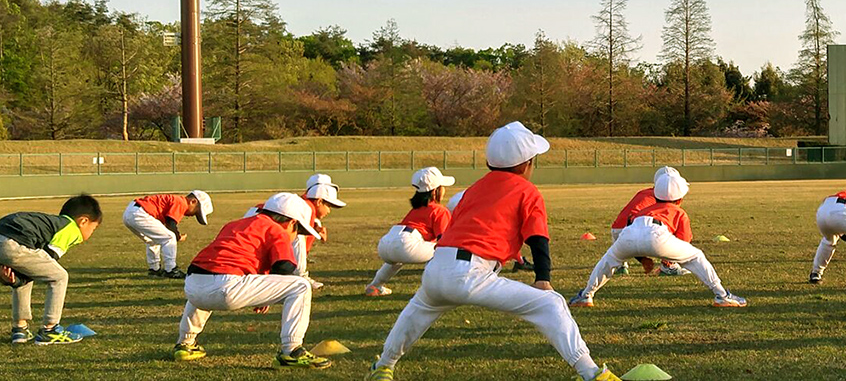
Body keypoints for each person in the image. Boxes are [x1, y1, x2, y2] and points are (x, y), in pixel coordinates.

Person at [366, 122, 620, 381]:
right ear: (526, 165)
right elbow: (537, 238)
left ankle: (384, 366)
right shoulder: (527, 191)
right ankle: (591, 373)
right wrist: (542, 278)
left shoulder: (473, 190)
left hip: (436, 266)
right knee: (552, 303)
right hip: (471, 272)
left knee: (417, 311)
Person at [173, 192, 330, 369]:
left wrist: (264, 288)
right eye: (298, 231)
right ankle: (291, 351)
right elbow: (285, 267)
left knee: (207, 277)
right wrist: (270, 290)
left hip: (192, 286)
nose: (296, 236)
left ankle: (185, 343)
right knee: (301, 285)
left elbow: (226, 259)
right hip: (227, 287)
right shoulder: (277, 230)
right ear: (292, 222)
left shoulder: (236, 224)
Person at [571, 169, 747, 308]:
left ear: (655, 195)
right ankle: (722, 296)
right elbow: (684, 243)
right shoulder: (679, 212)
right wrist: (669, 261)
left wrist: (642, 258)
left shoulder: (644, 210)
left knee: (608, 261)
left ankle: (586, 295)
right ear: (680, 198)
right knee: (696, 256)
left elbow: (635, 232)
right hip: (658, 234)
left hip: (629, 233)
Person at [0, 194, 104, 345]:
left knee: (25, 277)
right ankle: (50, 329)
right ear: (83, 221)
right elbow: (48, 258)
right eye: (93, 228)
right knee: (59, 276)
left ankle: (20, 329)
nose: (92, 233)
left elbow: (33, 269)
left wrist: (13, 280)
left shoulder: (52, 223)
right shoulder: (71, 228)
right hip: (13, 243)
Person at [366, 167, 458, 296]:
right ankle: (436, 289)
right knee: (444, 251)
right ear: (435, 191)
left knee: (396, 259)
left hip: (386, 243)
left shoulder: (416, 209)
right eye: (442, 186)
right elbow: (444, 241)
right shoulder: (439, 210)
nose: (444, 189)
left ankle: (375, 285)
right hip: (406, 243)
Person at [245, 182, 347, 282]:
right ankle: (301, 276)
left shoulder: (299, 204)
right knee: (300, 285)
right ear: (319, 202)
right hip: (239, 280)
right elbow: (287, 263)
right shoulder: (306, 210)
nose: (329, 211)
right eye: (328, 206)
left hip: (254, 220)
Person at [606, 167, 686, 276]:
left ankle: (620, 266)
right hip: (633, 229)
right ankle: (668, 266)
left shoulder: (644, 193)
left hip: (617, 230)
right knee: (668, 227)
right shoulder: (662, 199)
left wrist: (642, 259)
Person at [122, 190, 213, 278]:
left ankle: (154, 269)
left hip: (131, 211)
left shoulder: (176, 200)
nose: (193, 215)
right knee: (169, 237)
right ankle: (171, 269)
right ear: (193, 201)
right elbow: (171, 224)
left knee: (153, 240)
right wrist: (178, 236)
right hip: (140, 214)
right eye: (197, 212)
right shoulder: (181, 203)